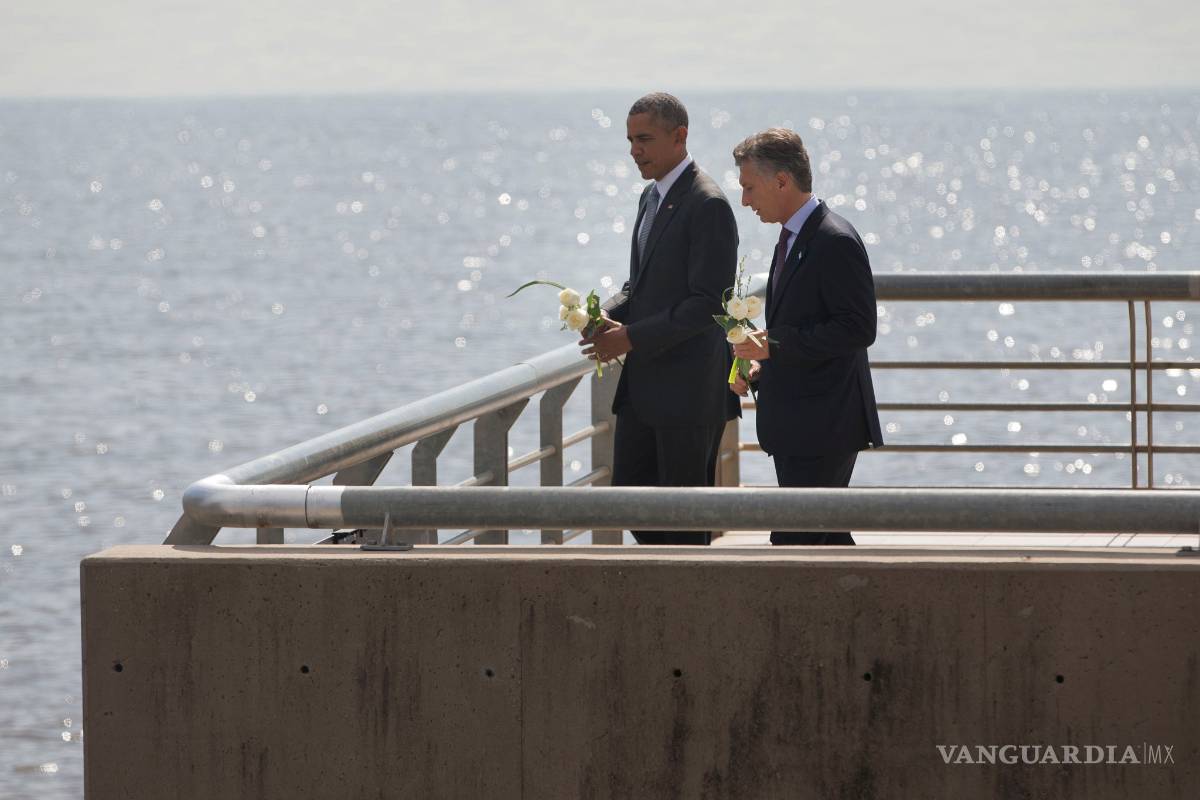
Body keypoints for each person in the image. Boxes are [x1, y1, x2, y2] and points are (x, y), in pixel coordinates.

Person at [581, 92, 740, 545]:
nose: (635, 150)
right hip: (645, 394)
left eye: (645, 139)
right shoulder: (649, 198)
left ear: (679, 136)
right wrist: (603, 315)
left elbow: (708, 304)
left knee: (684, 526)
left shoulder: (707, 203)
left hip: (688, 396)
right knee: (633, 506)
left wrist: (629, 337)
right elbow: (641, 286)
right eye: (630, 140)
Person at [728, 128, 883, 545]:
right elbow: (804, 326)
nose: (744, 200)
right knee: (818, 540)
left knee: (800, 542)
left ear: (781, 180)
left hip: (825, 423)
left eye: (749, 187)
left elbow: (858, 328)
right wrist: (760, 362)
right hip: (803, 422)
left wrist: (772, 344)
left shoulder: (834, 240)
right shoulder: (793, 237)